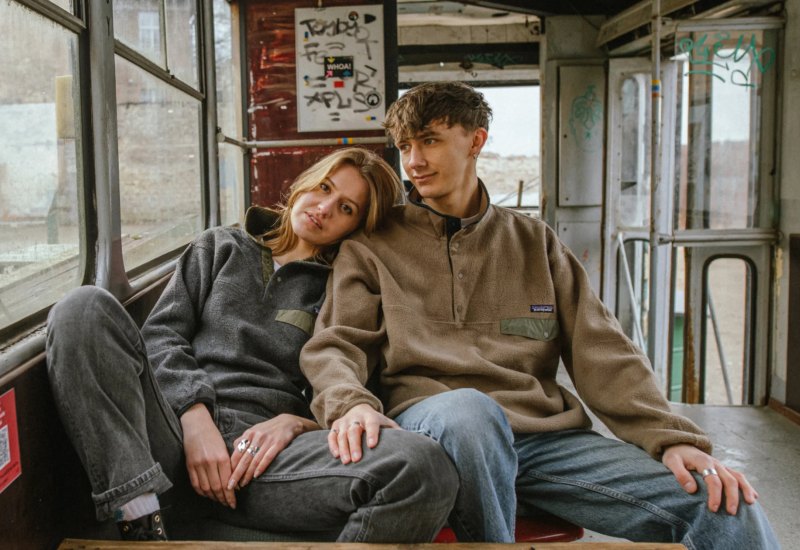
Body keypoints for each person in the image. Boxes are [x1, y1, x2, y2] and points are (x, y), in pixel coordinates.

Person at [299, 83, 779, 549]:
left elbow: (603, 350)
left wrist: (671, 439)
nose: (414, 161)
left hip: (543, 443)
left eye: (430, 141)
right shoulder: (372, 245)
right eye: (405, 146)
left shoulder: (535, 242)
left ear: (476, 141)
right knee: (470, 414)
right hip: (434, 434)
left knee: (723, 502)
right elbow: (336, 344)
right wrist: (350, 404)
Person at [46, 147, 458, 542]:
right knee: (82, 308)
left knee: (424, 467)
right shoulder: (220, 246)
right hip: (170, 434)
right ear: (305, 183)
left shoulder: (344, 284)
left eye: (346, 208)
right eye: (325, 188)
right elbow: (162, 335)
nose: (325, 208)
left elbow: (343, 383)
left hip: (263, 458)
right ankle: (141, 523)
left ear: (356, 227)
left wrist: (296, 424)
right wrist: (195, 417)